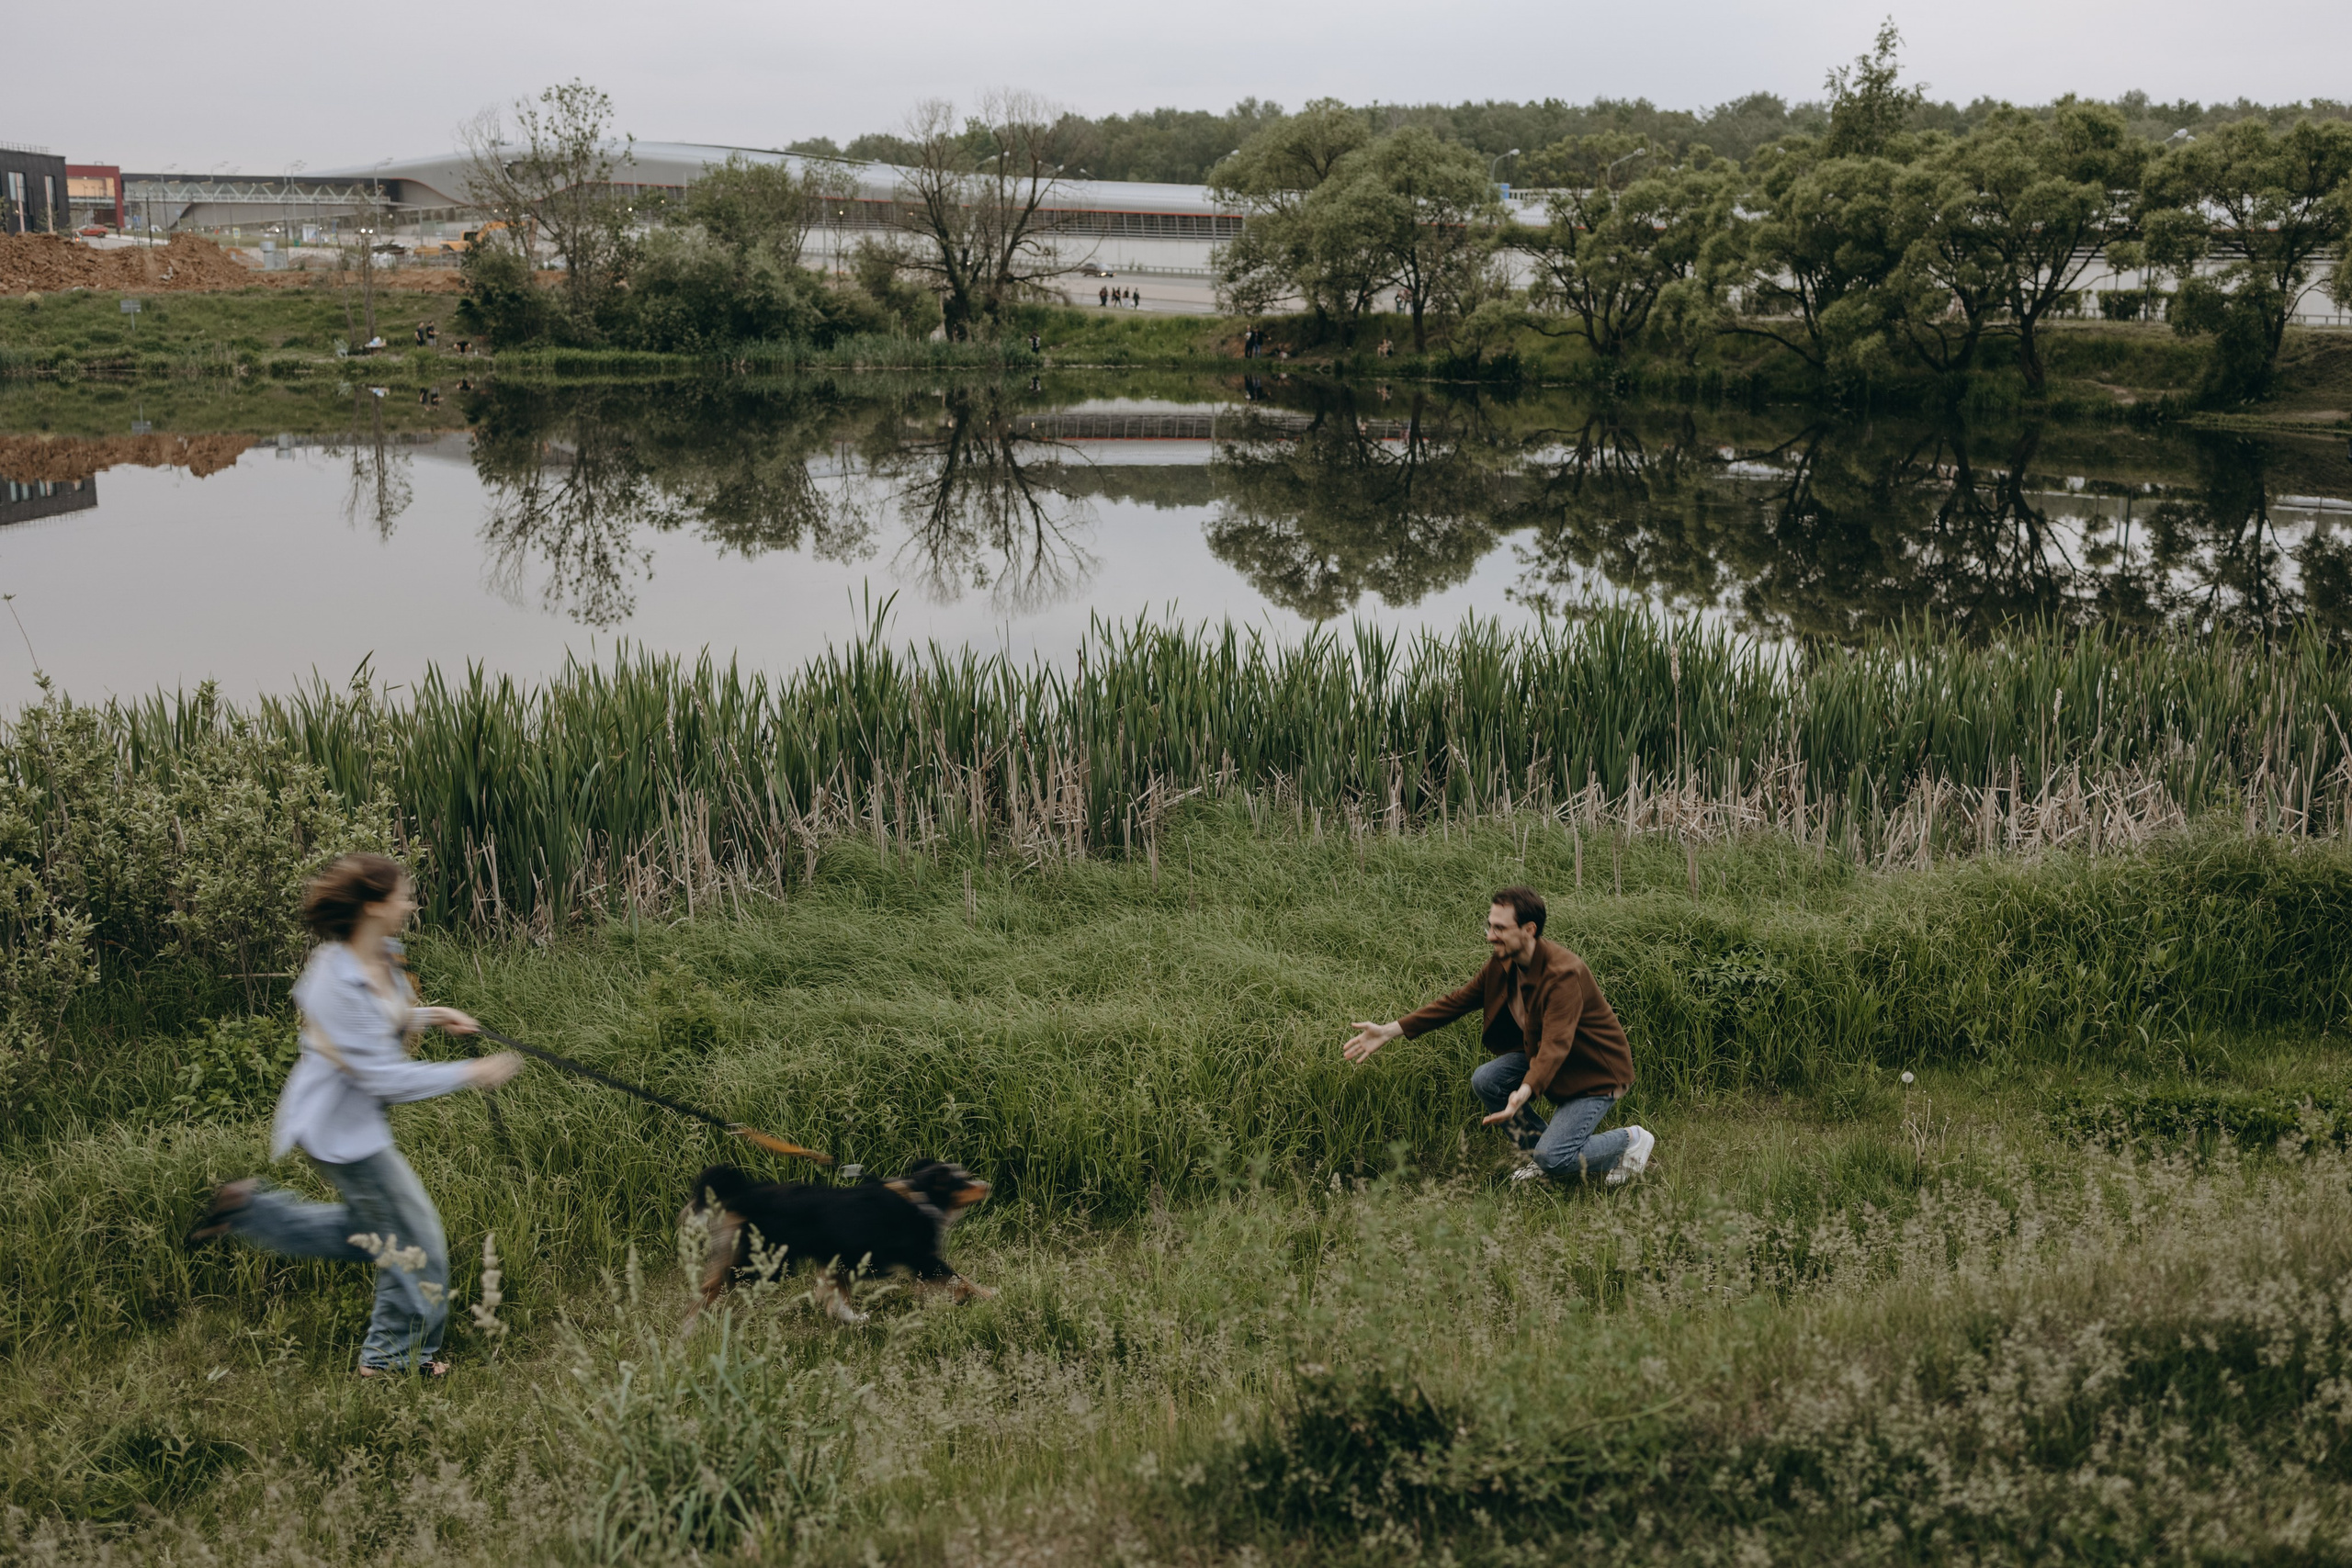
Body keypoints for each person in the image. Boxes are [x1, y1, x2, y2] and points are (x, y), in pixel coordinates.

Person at [186, 853, 524, 1376]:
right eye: (401, 896)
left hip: (355, 1123)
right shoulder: (335, 979)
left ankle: (252, 1213)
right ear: (372, 906)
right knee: (417, 1242)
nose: (409, 904)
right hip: (338, 1130)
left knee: (375, 1232)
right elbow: (380, 1077)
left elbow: (381, 1021)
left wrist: (435, 1016)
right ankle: (390, 1357)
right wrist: (470, 1072)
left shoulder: (380, 955)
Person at [1342, 886, 1653, 1186]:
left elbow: (1556, 1044)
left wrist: (1524, 1090)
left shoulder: (1563, 974)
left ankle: (1630, 1141)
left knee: (1555, 1157)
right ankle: (1541, 1154)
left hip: (1592, 1072)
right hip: (1547, 1058)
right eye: (1490, 926)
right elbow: (1457, 1002)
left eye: (1500, 928)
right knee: (1487, 1079)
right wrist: (1390, 1030)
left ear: (1529, 930)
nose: (1490, 935)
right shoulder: (1505, 962)